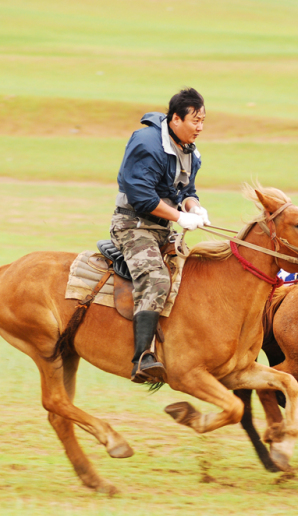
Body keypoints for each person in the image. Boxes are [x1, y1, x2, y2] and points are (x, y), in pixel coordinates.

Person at [111, 87, 210, 383]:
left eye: (203, 120)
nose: (200, 127)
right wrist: (180, 216)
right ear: (175, 118)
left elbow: (187, 191)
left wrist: (195, 206)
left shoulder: (190, 151)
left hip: (161, 229)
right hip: (132, 226)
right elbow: (140, 197)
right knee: (155, 278)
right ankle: (142, 358)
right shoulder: (147, 143)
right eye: (195, 121)